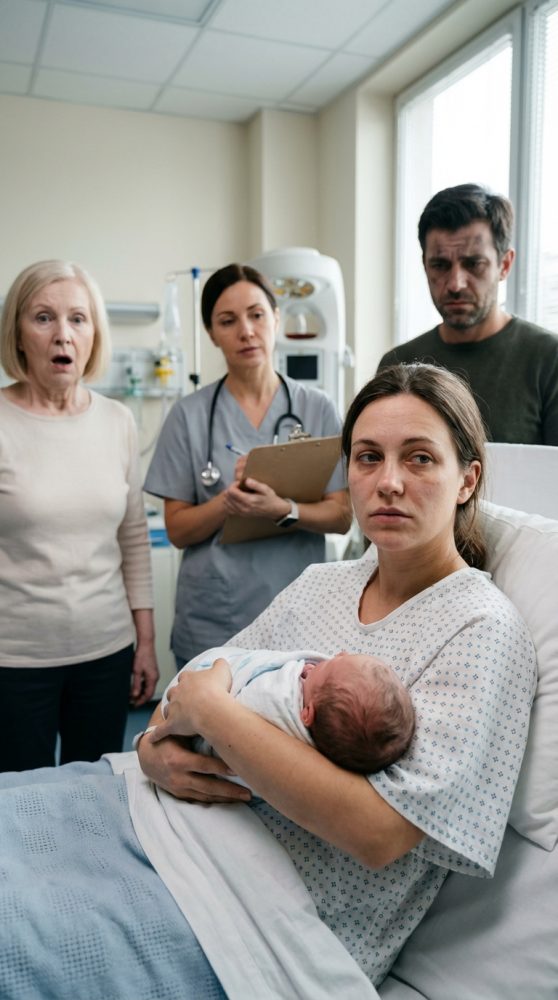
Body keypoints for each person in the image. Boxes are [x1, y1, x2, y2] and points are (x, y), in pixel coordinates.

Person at [0, 364, 536, 999]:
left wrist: (215, 716)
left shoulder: (480, 627)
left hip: (247, 911)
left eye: (419, 458)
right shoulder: (325, 584)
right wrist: (151, 754)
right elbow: (193, 691)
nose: (388, 482)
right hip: (156, 812)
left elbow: (381, 834)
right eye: (368, 457)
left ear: (467, 478)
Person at [144, 263, 352, 666]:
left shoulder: (317, 408)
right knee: (208, 725)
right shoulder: (188, 417)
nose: (246, 330)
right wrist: (228, 503)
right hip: (216, 619)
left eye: (257, 315)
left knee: (290, 725)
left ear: (276, 319)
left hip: (299, 613)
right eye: (228, 320)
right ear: (211, 333)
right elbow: (178, 530)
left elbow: (342, 515)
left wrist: (283, 510)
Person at [0, 259, 158, 772]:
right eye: (43, 318)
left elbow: (133, 539)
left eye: (78, 319)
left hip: (104, 654)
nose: (62, 334)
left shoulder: (117, 421)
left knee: (98, 793)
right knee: (19, 806)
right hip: (14, 660)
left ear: (93, 335)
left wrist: (145, 643)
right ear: (18, 334)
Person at [378, 183, 558, 444]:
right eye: (440, 265)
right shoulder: (397, 363)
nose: (455, 284)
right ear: (424, 266)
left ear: (504, 265)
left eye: (474, 264)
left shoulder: (548, 360)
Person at [152, 645, 415, 775]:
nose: (339, 653)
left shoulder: (275, 701)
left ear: (306, 714)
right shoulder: (324, 722)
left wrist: (220, 673)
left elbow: (235, 701)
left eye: (328, 666)